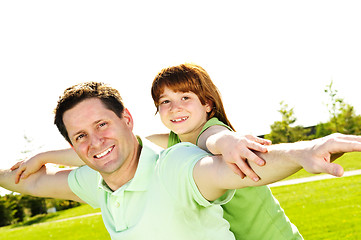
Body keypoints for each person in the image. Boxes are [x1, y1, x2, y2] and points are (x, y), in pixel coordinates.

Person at [2, 81, 361, 239]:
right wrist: (42, 155)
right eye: (80, 135)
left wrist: (301, 151)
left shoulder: (174, 164)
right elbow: (28, 179)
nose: (95, 142)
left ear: (127, 119)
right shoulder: (94, 183)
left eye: (102, 125)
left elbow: (230, 164)